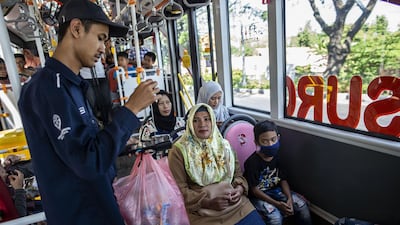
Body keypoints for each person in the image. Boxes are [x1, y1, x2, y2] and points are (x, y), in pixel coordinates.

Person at [17, 1, 160, 225]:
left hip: (98, 205)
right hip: (82, 214)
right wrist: (131, 109)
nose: (104, 48)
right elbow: (88, 162)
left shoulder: (71, 85)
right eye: (101, 38)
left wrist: (121, 139)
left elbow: (84, 145)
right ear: (76, 29)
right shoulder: (47, 89)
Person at [168, 103, 265, 225]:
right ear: (190, 125)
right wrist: (207, 202)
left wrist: (239, 189)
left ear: (213, 121)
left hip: (236, 205)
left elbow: (238, 175)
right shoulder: (179, 151)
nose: (202, 124)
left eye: (207, 119)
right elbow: (179, 190)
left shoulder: (225, 146)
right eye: (196, 120)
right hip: (202, 210)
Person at [243, 120, 312, 225]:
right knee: (275, 217)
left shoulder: (278, 157)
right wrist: (277, 204)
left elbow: (283, 179)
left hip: (276, 191)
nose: (270, 144)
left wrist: (289, 198)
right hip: (258, 196)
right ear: (257, 142)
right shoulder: (251, 162)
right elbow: (255, 190)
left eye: (273, 140)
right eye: (265, 141)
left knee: (301, 205)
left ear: (278, 138)